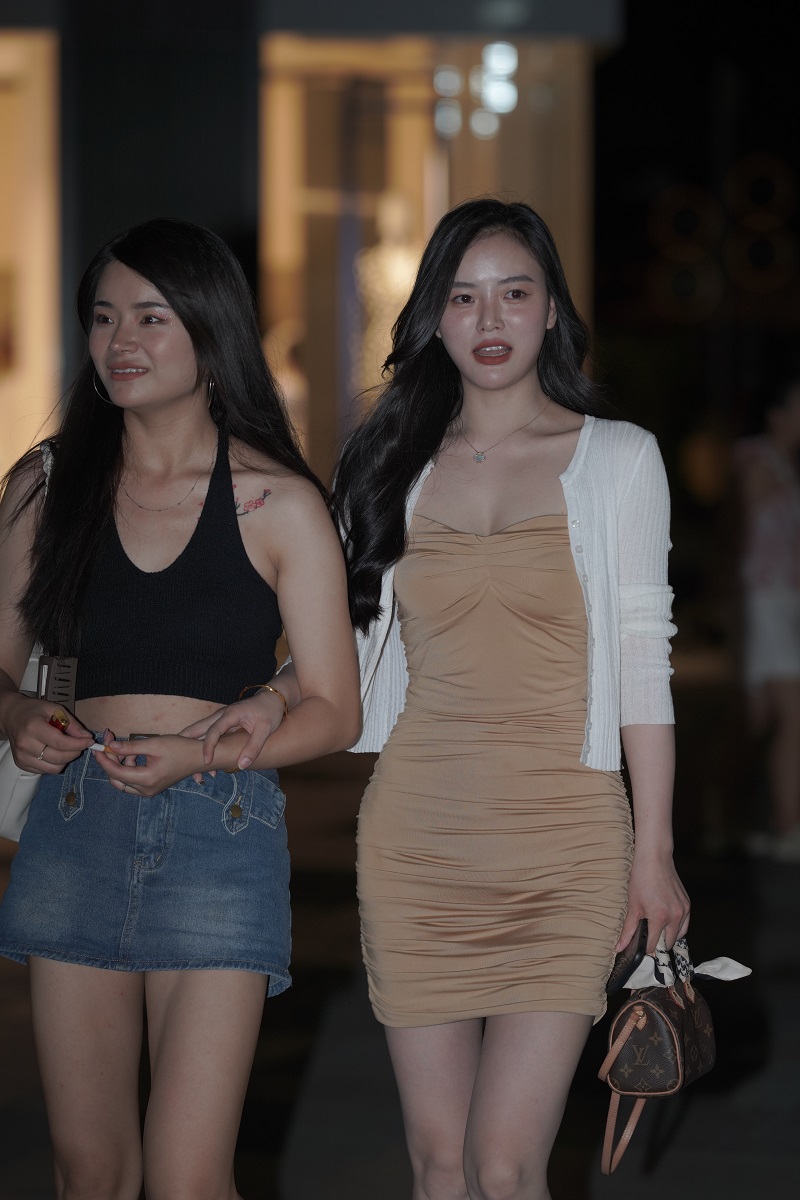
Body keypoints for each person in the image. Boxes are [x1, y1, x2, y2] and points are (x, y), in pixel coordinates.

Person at [190, 198, 690, 1200]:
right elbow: (344, 643)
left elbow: (644, 665)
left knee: (503, 1165)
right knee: (437, 1165)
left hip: (565, 846)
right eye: (463, 297)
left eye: (514, 292)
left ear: (551, 311)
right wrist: (271, 700)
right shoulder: (390, 465)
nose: (489, 318)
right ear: (432, 317)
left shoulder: (618, 457)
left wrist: (655, 852)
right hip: (418, 843)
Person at [0, 218, 360, 1200]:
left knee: (188, 1178)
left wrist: (202, 757)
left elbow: (334, 708)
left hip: (219, 832)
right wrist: (16, 716)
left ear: (210, 330)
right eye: (104, 316)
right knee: (90, 1173)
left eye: (151, 317)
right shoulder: (44, 487)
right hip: (73, 824)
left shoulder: (276, 502)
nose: (121, 339)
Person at [734, 375, 800, 861]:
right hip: (764, 600)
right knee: (790, 718)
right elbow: (742, 530)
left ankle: (769, 822)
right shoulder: (755, 457)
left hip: (784, 601)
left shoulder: (784, 463)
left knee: (774, 719)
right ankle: (785, 827)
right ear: (776, 414)